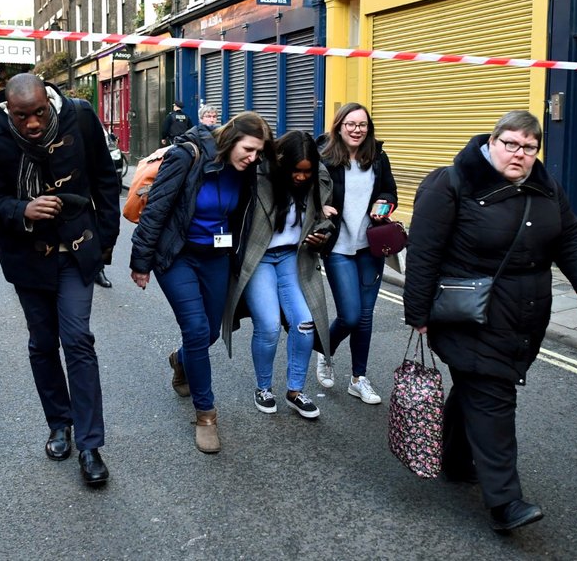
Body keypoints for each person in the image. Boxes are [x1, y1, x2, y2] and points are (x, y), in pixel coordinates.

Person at [403, 110, 577, 531]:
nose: (520, 154)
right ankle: (505, 502)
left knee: (476, 387)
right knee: (492, 393)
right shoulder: (452, 183)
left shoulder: (544, 185)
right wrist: (418, 312)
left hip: (524, 315)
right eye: (511, 143)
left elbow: (568, 235)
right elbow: (423, 252)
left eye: (529, 147)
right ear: (491, 141)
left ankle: (455, 460)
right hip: (467, 314)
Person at [0, 73, 120, 487]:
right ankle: (60, 423)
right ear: (8, 110)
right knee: (42, 343)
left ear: (49, 102)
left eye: (39, 112)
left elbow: (106, 180)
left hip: (76, 249)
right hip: (27, 259)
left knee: (77, 340)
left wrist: (105, 241)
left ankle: (90, 444)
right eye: (22, 117)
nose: (33, 124)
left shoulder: (80, 117)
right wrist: (22, 209)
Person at [130, 112, 272, 453]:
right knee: (196, 329)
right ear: (232, 138)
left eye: (258, 153)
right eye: (249, 149)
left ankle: (181, 360)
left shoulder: (247, 169)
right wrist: (141, 262)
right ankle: (206, 415)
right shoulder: (187, 155)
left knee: (210, 332)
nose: (253, 158)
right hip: (177, 255)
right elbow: (156, 209)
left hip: (215, 258)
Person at [222, 130, 332, 419]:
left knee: (305, 324)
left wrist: (321, 235)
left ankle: (295, 391)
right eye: (296, 170)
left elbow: (322, 220)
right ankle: (263, 388)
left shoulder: (316, 183)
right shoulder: (258, 179)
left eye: (306, 172)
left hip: (292, 259)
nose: (301, 177)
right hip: (259, 260)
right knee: (269, 325)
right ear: (283, 163)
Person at [314, 102, 397, 405]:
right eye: (350, 124)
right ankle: (324, 351)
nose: (356, 130)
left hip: (370, 247)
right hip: (338, 246)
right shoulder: (324, 158)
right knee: (349, 315)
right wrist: (319, 206)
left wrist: (383, 205)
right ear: (339, 126)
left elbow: (390, 192)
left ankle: (358, 378)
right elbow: (305, 190)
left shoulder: (377, 157)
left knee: (364, 317)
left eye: (362, 125)